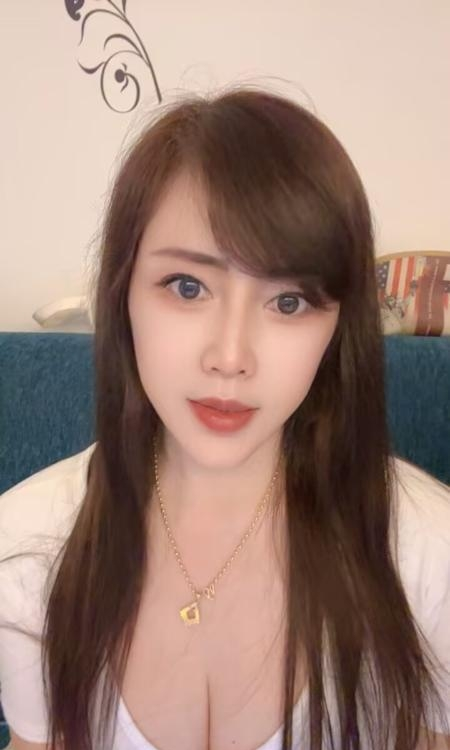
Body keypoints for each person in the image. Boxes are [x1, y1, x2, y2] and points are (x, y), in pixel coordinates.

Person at [0, 84, 449, 750]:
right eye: (188, 287)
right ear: (123, 296)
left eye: (289, 303)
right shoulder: (24, 552)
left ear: (337, 328)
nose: (231, 358)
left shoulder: (427, 556)